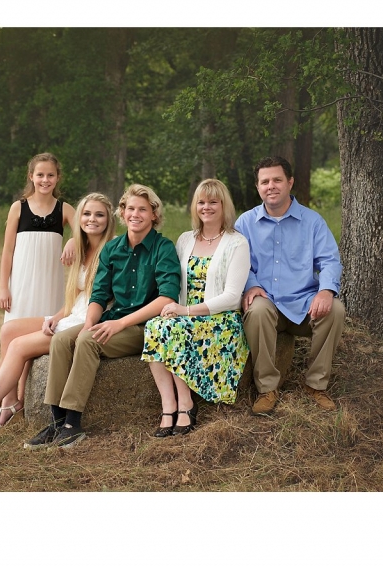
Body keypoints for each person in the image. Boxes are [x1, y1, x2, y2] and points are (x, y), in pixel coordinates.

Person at [23, 184, 181, 450]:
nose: (135, 214)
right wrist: (88, 324)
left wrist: (117, 324)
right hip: (112, 318)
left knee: (89, 342)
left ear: (154, 214)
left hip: (143, 327)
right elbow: (98, 295)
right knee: (62, 340)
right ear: (121, 212)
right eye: (130, 208)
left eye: (143, 209)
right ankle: (57, 420)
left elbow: (166, 298)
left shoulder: (163, 248)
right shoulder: (113, 249)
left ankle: (73, 424)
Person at [0, 193, 116, 440]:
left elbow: (100, 298)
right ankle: (11, 401)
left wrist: (81, 326)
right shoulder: (83, 247)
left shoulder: (112, 249)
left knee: (18, 346)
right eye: (87, 214)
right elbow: (78, 295)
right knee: (9, 330)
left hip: (89, 320)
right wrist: (56, 316)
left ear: (109, 219)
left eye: (99, 214)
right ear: (79, 218)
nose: (92, 219)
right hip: (74, 313)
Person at [235, 155, 346, 416]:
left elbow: (329, 260)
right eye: (265, 181)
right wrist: (250, 284)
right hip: (266, 302)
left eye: (277, 180)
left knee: (336, 310)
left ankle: (316, 385)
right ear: (258, 187)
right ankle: (267, 389)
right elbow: (238, 264)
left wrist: (326, 291)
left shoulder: (313, 221)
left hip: (303, 304)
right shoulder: (245, 223)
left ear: (290, 182)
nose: (271, 186)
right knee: (258, 309)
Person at [141, 179, 250, 437]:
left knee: (174, 328)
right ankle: (169, 405)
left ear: (224, 206)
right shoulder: (184, 239)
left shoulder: (237, 243)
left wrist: (186, 311)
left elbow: (233, 297)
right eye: (201, 202)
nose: (206, 207)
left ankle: (187, 404)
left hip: (221, 322)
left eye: (213, 202)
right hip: (184, 316)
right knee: (154, 326)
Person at [0, 153, 78, 407]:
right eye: (40, 175)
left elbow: (86, 232)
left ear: (57, 177)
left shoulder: (64, 209)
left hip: (50, 285)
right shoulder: (18, 207)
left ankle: (24, 398)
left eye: (50, 175)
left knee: (35, 342)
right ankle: (7, 399)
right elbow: (7, 251)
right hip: (21, 284)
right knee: (11, 339)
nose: (45, 180)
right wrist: (3, 288)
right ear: (31, 176)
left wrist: (74, 239)